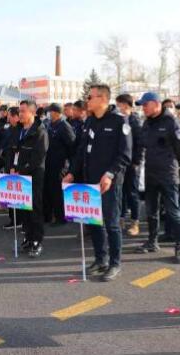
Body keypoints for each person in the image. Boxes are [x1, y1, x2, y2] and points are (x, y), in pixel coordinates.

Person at [64, 85, 132, 281]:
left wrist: (110, 174)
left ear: (103, 99)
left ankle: (114, 263)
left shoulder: (120, 121)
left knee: (111, 223)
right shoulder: (90, 121)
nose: (87, 100)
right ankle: (100, 259)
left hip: (109, 182)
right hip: (89, 180)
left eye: (90, 97)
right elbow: (81, 151)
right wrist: (71, 173)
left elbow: (125, 154)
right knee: (94, 223)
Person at [136, 92, 180, 264]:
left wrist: (173, 165)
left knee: (173, 212)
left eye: (145, 105)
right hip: (151, 173)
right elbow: (143, 144)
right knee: (152, 211)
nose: (143, 108)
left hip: (168, 174)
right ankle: (152, 242)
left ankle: (179, 246)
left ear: (156, 104)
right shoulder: (147, 123)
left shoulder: (172, 122)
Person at [5, 100, 48, 257]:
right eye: (19, 111)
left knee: (34, 208)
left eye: (23, 111)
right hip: (18, 175)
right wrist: (11, 167)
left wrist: (22, 171)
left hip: (33, 176)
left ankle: (37, 240)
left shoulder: (40, 132)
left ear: (32, 113)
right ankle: (28, 237)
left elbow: (38, 158)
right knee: (23, 208)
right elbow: (11, 150)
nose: (20, 114)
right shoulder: (17, 130)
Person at [43, 103, 76, 226]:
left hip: (60, 164)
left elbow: (72, 146)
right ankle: (50, 215)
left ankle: (61, 218)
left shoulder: (64, 126)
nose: (48, 114)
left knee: (57, 191)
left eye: (50, 111)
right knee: (49, 190)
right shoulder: (49, 125)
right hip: (49, 163)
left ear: (56, 112)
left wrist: (68, 165)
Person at [116, 94, 143, 236]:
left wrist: (137, 162)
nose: (117, 108)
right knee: (120, 191)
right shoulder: (119, 120)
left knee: (132, 193)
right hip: (121, 163)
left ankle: (135, 222)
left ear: (125, 105)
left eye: (118, 105)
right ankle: (121, 219)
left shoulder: (135, 121)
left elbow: (140, 144)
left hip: (132, 164)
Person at [1, 107, 23, 230]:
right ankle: (12, 218)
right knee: (10, 194)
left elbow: (18, 151)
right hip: (7, 164)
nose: (8, 118)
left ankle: (18, 220)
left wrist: (14, 166)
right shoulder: (10, 129)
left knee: (17, 195)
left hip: (15, 167)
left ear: (16, 116)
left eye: (10, 115)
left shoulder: (20, 130)